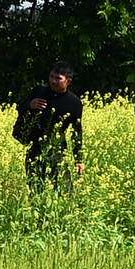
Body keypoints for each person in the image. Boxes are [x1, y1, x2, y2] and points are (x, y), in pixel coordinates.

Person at [16, 60, 84, 191]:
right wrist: (30, 105)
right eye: (51, 76)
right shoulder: (39, 91)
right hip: (35, 148)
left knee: (65, 192)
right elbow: (20, 109)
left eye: (58, 78)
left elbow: (77, 132)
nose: (53, 81)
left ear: (68, 81)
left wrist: (78, 159)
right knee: (35, 191)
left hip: (57, 151)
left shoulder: (74, 103)